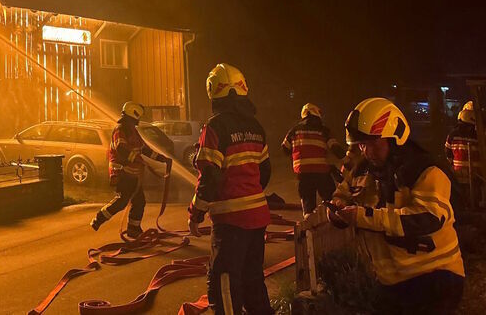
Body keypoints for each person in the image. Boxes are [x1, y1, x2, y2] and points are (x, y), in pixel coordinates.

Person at [332, 97, 465, 315]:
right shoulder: (363, 171)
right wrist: (337, 208)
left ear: (394, 139)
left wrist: (363, 216)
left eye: (374, 143)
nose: (367, 152)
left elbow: (427, 218)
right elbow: (343, 193)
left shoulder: (425, 170)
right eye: (362, 144)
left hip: (435, 278)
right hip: (393, 282)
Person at [187, 63, 273, 315]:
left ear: (214, 94)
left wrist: (195, 213)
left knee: (224, 287)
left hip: (230, 223)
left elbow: (209, 179)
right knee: (253, 282)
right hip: (258, 219)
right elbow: (265, 172)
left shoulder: (214, 127)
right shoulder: (256, 127)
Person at [91, 101, 169, 238]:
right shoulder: (120, 130)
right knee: (122, 201)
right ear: (132, 116)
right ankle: (99, 218)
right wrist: (136, 159)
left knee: (139, 201)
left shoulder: (132, 130)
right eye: (136, 118)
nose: (137, 121)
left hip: (132, 175)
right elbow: (121, 149)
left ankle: (133, 228)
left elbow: (144, 149)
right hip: (122, 172)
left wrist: (162, 159)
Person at [281, 103, 344, 215]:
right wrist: (347, 160)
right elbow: (335, 148)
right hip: (321, 173)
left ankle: (309, 227)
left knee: (307, 202)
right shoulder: (324, 130)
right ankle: (333, 218)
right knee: (330, 199)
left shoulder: (294, 130)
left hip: (303, 173)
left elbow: (284, 149)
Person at [445, 100, 480, 206]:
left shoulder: (452, 134)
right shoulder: (479, 135)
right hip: (477, 176)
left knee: (461, 201)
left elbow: (448, 153)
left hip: (458, 175)